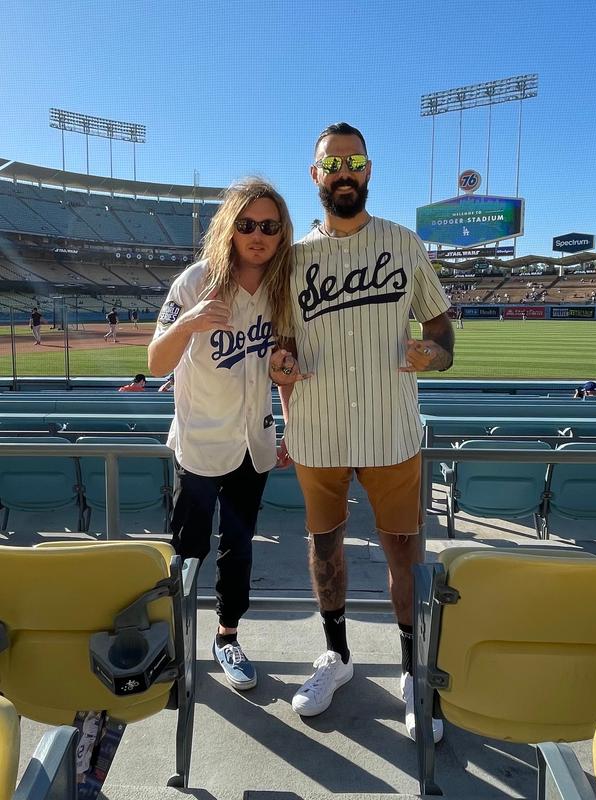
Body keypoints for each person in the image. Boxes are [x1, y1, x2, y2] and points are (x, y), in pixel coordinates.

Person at [279, 123, 454, 742]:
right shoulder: (294, 259)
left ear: (370, 170)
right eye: (333, 163)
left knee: (403, 553)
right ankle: (337, 656)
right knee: (326, 551)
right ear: (315, 175)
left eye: (354, 161)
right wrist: (282, 374)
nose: (344, 172)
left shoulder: (405, 245)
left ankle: (410, 670)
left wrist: (431, 356)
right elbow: (284, 348)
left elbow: (443, 336)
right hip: (319, 432)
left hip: (390, 429)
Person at [148, 179, 306, 692]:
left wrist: (287, 425)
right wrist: (188, 323)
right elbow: (156, 362)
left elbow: (280, 366)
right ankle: (173, 638)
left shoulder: (282, 291)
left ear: (282, 233)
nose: (257, 235)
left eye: (269, 226)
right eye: (246, 224)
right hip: (200, 442)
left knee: (239, 548)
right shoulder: (195, 282)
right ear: (229, 227)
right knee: (187, 548)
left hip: (252, 443)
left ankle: (227, 636)